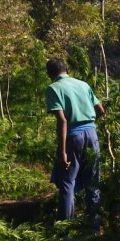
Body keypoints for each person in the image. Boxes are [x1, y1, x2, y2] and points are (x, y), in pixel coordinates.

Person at [45, 58, 105, 230]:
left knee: (67, 183)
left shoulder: (54, 88)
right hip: (92, 134)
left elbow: (62, 120)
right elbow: (100, 110)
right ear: (67, 69)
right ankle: (93, 227)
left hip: (73, 136)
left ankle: (64, 229)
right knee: (94, 180)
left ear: (50, 74)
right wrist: (90, 127)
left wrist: (62, 152)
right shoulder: (83, 84)